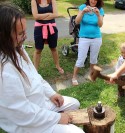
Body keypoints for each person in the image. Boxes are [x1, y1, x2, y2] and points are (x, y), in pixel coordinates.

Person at [0, 3, 84, 133]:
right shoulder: (4, 70)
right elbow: (23, 114)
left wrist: (51, 94)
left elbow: (35, 76)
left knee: (74, 103)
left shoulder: (16, 48)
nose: (25, 37)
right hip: (28, 125)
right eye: (21, 33)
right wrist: (57, 118)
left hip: (40, 105)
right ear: (4, 36)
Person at [72, 0, 104, 86]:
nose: (93, 1)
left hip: (96, 38)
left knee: (93, 59)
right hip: (84, 38)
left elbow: (100, 25)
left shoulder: (100, 9)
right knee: (81, 58)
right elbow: (77, 21)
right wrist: (82, 12)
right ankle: (74, 77)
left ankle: (90, 74)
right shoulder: (83, 7)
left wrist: (98, 15)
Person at [31, 0, 64, 74]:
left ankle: (57, 66)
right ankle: (35, 70)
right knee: (38, 49)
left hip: (52, 28)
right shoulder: (34, 1)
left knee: (53, 48)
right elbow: (35, 16)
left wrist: (41, 16)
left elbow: (56, 14)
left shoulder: (53, 1)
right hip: (39, 28)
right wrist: (49, 14)